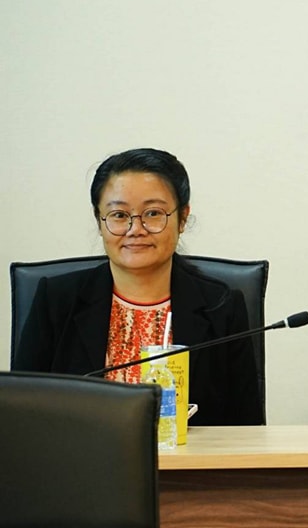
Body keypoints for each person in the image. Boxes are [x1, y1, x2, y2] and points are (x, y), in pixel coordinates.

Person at [13, 147, 264, 425]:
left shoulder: (222, 307)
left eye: (153, 213)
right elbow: (21, 418)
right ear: (99, 220)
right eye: (119, 215)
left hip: (193, 455)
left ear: (182, 218)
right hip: (79, 453)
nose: (136, 229)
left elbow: (247, 430)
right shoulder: (55, 301)